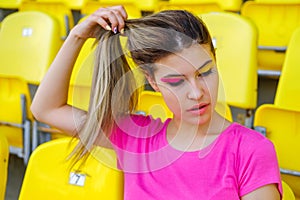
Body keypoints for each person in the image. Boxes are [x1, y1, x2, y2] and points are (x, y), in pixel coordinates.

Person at [31, 6, 282, 199]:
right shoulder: (137, 139)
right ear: (152, 80)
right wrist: (77, 35)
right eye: (176, 81)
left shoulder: (250, 150)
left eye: (205, 72)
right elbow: (46, 109)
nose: (197, 93)